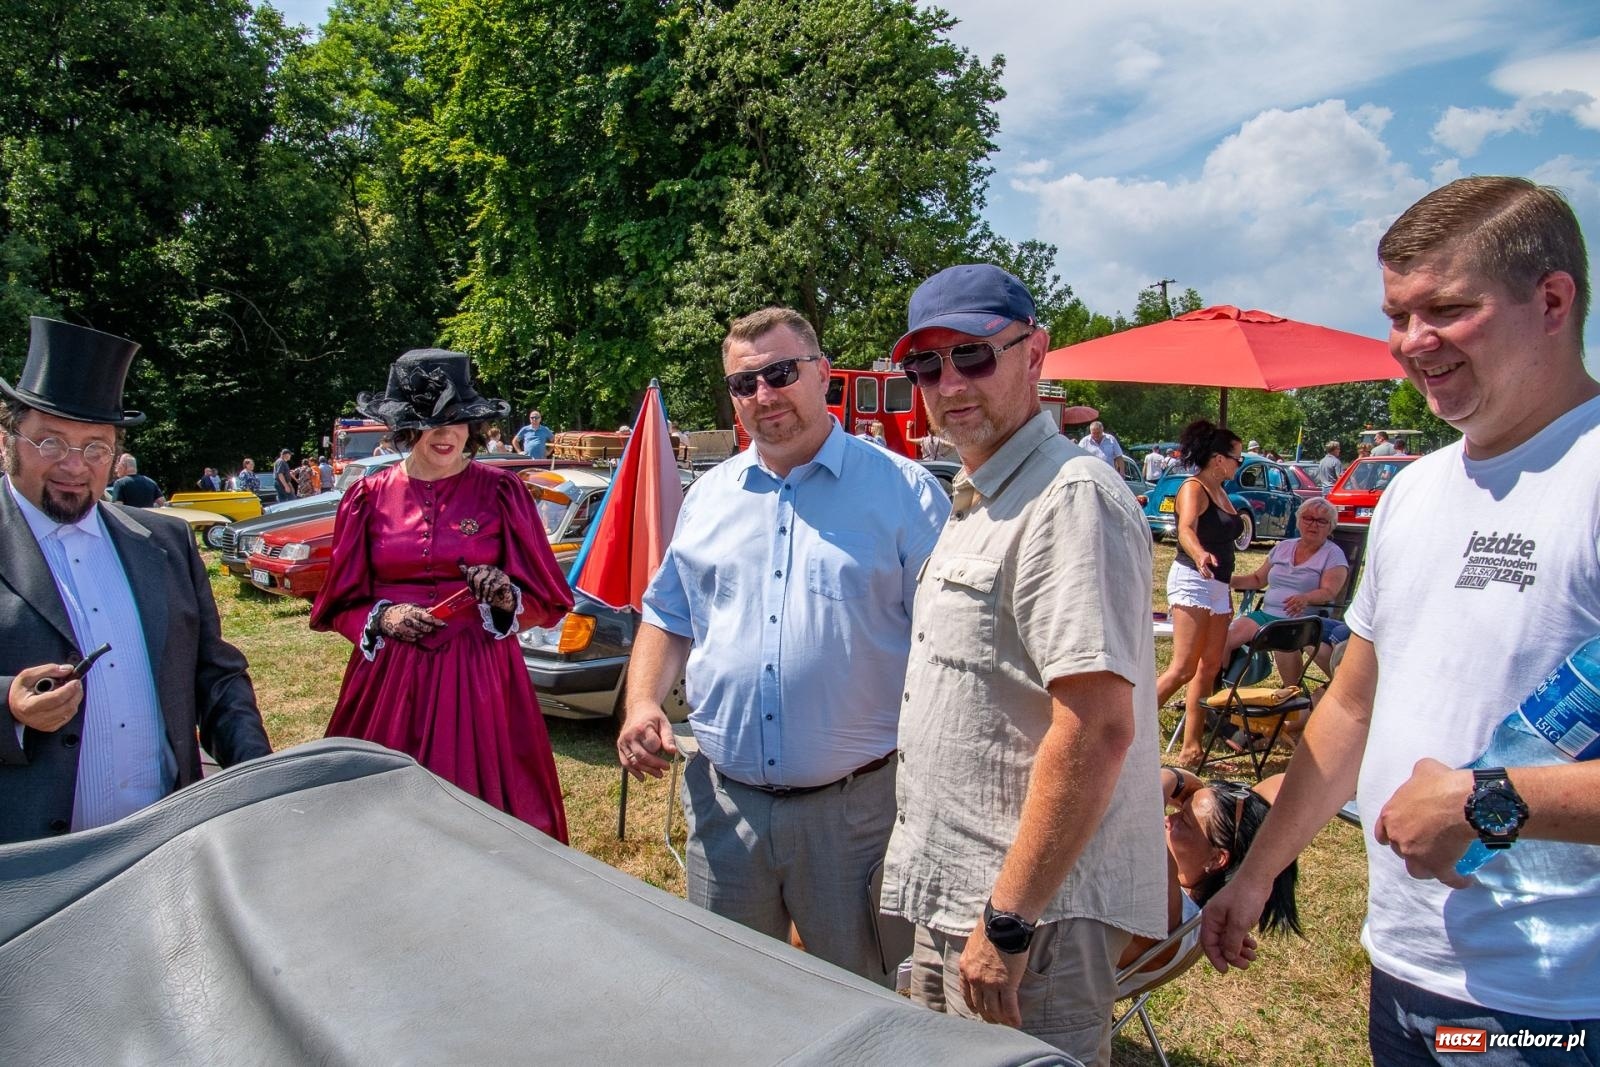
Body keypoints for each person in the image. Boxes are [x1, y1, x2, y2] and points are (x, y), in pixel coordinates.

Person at [1203, 176, 1600, 1061]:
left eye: (1447, 310)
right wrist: (1258, 871)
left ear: (1552, 300)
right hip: (1409, 965)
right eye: (1395, 316)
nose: (1412, 345)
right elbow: (1352, 706)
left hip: (1559, 1001)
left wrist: (1485, 802)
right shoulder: (1414, 491)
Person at [878, 264, 1165, 1065]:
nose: (948, 383)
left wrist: (1008, 920)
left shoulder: (1069, 496)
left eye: (972, 355)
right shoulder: (985, 492)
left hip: (1026, 918)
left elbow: (1097, 728)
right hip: (967, 897)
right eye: (926, 366)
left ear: (1035, 354)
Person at [618, 306, 949, 985]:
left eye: (780, 373)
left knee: (863, 1001)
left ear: (823, 374)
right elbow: (666, 614)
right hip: (724, 806)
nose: (764, 395)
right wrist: (642, 701)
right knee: (733, 998)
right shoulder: (708, 497)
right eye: (745, 384)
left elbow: (954, 648)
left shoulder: (903, 491)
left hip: (855, 816)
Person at [0, 316, 270, 844]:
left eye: (95, 447)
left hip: (166, 846)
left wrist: (257, 775)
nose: (73, 466)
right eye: (49, 442)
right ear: (7, 438)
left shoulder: (164, 544)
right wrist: (9, 705)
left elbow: (214, 676)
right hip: (27, 868)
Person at [311, 348, 573, 839]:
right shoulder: (367, 496)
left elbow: (546, 594)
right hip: (391, 676)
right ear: (407, 428)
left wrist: (504, 597)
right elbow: (341, 600)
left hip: (480, 674)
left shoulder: (501, 492)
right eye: (432, 423)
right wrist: (383, 618)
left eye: (458, 422)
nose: (447, 434)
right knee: (377, 819)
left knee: (489, 815)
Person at [1115, 767, 1301, 996]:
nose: (1166, 819)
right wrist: (1191, 793)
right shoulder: (1200, 916)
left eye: (1183, 820)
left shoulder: (1166, 909)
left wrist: (1174, 777)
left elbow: (1139, 803)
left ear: (1216, 859)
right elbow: (1286, 781)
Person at [1153, 420, 1248, 768]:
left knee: (1209, 667)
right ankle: (1128, 727)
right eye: (1237, 457)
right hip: (1194, 578)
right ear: (1219, 459)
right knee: (1183, 667)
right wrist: (1199, 553)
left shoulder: (1222, 491)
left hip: (1219, 584)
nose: (1240, 463)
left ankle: (1192, 747)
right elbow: (1185, 529)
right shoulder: (1194, 489)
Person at [1226, 496, 1349, 686]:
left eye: (1321, 521)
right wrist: (1224, 580)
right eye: (1308, 518)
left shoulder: (1333, 554)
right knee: (1224, 639)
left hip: (1300, 621)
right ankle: (1216, 692)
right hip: (1266, 615)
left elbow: (1329, 591)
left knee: (1284, 641)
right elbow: (1258, 580)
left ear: (1331, 526)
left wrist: (1306, 598)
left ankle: (1292, 695)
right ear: (1299, 521)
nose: (1313, 525)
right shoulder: (1283, 547)